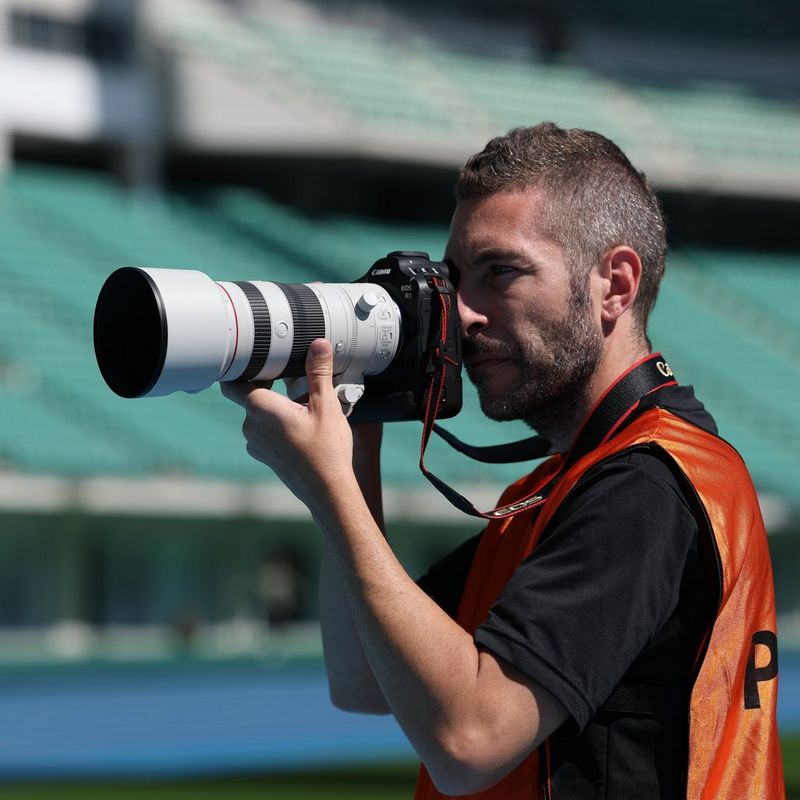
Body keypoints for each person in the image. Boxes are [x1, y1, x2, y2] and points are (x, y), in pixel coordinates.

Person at [221, 123, 783, 799]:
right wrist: (356, 457)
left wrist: (333, 494)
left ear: (615, 284)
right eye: (456, 281)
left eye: (502, 273)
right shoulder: (577, 481)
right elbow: (364, 681)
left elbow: (470, 741)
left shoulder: (646, 482)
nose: (463, 314)